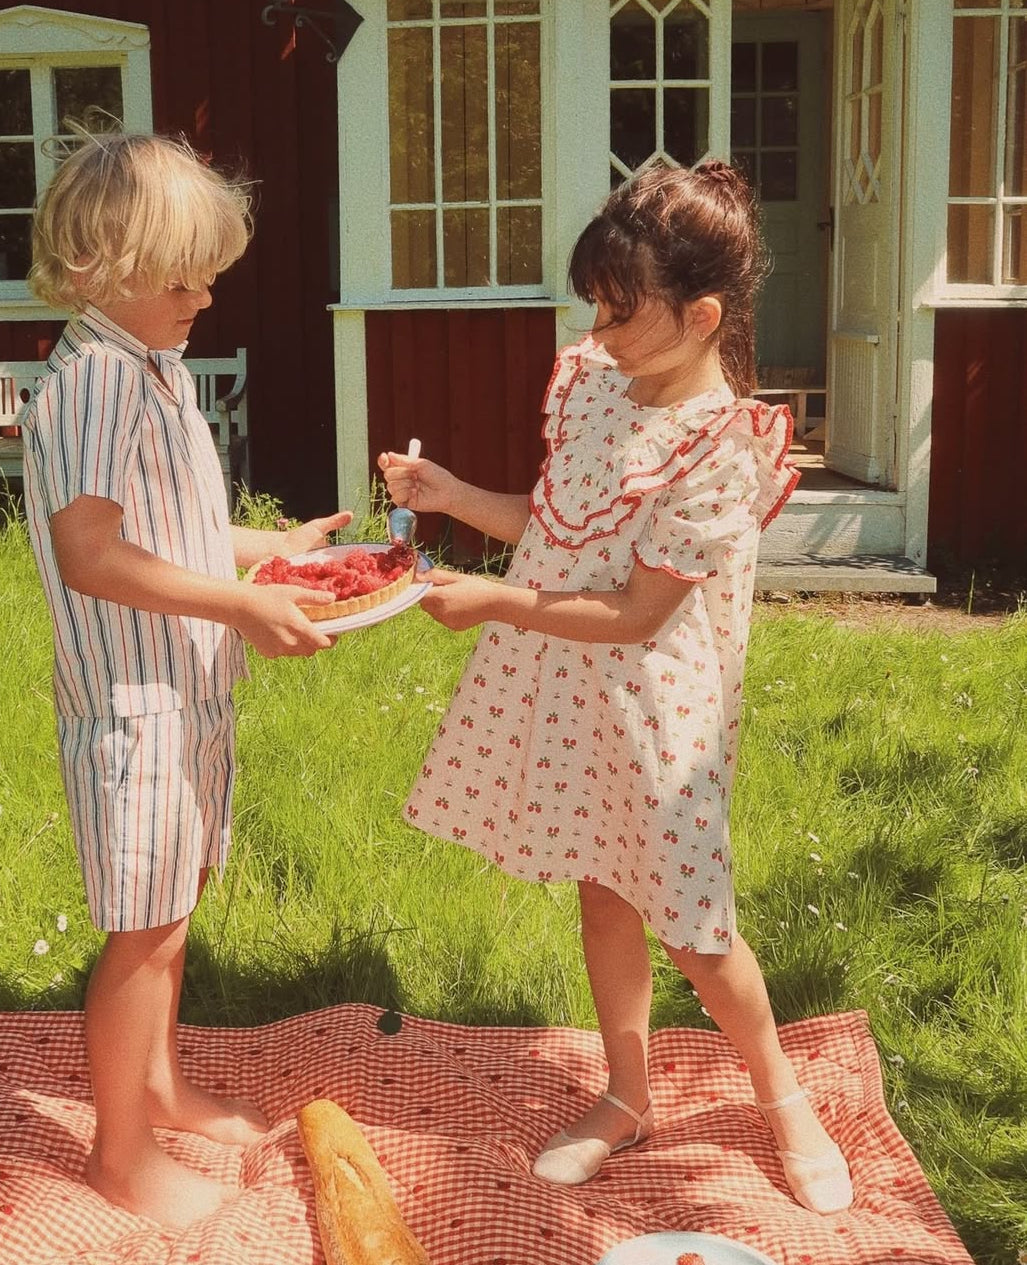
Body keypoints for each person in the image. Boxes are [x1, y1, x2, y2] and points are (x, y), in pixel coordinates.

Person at [379, 161, 853, 1215]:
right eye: (593, 302)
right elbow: (555, 535)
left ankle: (783, 1100)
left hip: (660, 710)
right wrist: (452, 496)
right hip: (575, 689)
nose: (597, 329)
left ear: (701, 316)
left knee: (692, 920)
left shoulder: (724, 445)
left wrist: (495, 604)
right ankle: (626, 1092)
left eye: (619, 310)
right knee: (601, 887)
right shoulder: (596, 385)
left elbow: (639, 613)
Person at [23, 130, 352, 1230]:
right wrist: (245, 605)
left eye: (211, 273)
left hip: (186, 697)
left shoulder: (150, 368)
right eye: (181, 276)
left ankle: (159, 1085)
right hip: (132, 710)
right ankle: (121, 1152)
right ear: (93, 266)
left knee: (178, 902)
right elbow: (93, 554)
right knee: (144, 928)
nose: (204, 295)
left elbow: (179, 530)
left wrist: (274, 554)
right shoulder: (87, 386)